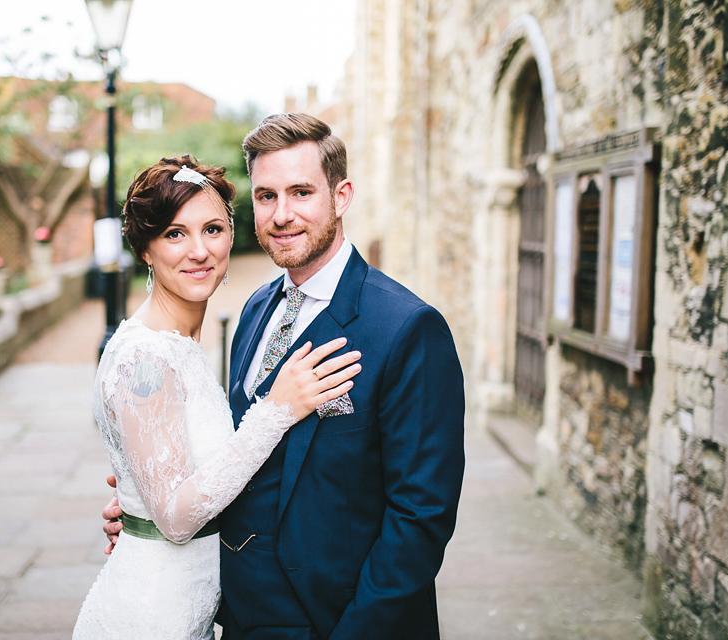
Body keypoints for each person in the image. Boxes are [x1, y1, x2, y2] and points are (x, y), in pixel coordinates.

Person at [104, 113, 465, 639]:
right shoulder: (255, 308)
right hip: (241, 614)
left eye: (301, 192)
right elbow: (235, 452)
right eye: (267, 196)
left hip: (339, 619)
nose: (282, 214)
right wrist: (146, 504)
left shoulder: (408, 328)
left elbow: (421, 514)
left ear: (340, 197)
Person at [73, 155, 362, 640]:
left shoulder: (184, 341)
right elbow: (178, 518)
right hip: (152, 618)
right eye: (174, 234)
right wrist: (276, 410)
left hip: (196, 609)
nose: (199, 251)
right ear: (144, 249)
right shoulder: (144, 358)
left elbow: (183, 475)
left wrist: (136, 497)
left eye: (212, 229)